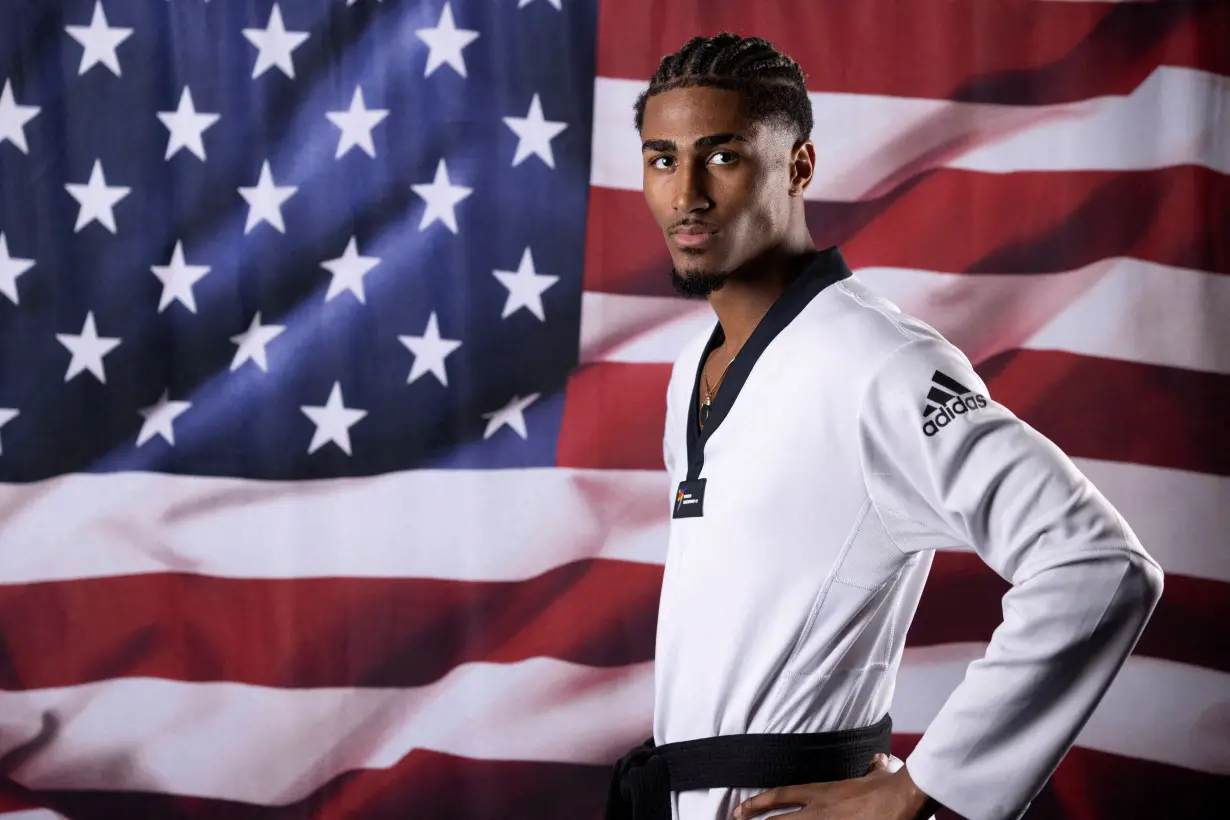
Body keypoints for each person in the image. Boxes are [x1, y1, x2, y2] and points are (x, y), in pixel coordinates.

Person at [604, 33, 1165, 820]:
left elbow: (1100, 563)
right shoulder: (695, 361)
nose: (685, 193)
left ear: (798, 166)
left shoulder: (881, 363)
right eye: (662, 159)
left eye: (723, 157)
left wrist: (925, 783)